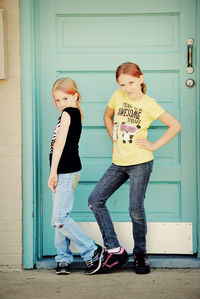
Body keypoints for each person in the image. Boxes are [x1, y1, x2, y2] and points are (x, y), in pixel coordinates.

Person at [88, 62, 182, 274]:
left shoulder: (149, 104)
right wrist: (115, 140)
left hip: (140, 162)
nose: (127, 88)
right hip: (119, 162)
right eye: (123, 84)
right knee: (95, 200)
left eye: (131, 82)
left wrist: (154, 145)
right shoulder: (117, 96)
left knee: (135, 210)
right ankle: (115, 250)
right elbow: (107, 116)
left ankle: (140, 254)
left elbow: (175, 125)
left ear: (140, 79)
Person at [48, 78, 103, 275]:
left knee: (59, 218)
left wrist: (53, 172)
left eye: (65, 98)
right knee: (59, 217)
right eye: (57, 100)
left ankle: (91, 251)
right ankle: (63, 258)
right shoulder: (73, 113)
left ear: (75, 96)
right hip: (63, 171)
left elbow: (60, 145)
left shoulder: (68, 113)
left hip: (66, 171)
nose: (60, 103)